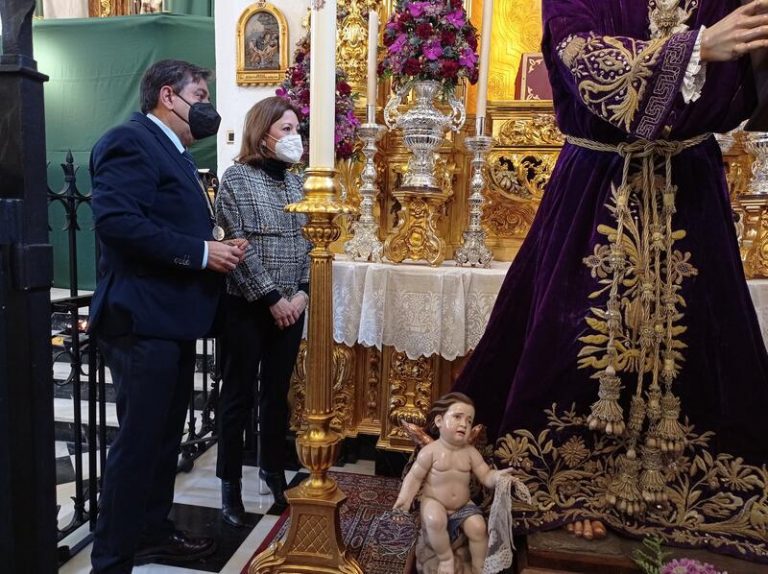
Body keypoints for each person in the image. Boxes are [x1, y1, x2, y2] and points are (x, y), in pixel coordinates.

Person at [453, 0, 768, 562]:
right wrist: (694, 48)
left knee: (703, 340)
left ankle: (682, 483)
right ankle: (577, 484)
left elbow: (742, 79)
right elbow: (582, 60)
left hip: (688, 187)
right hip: (599, 184)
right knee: (573, 339)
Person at [88, 59, 246, 572]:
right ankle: (111, 558)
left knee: (161, 443)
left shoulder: (173, 150)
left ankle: (151, 533)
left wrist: (217, 247)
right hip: (140, 320)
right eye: (198, 95)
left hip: (170, 320)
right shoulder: (129, 140)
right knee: (138, 446)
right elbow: (118, 223)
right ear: (166, 96)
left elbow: (166, 222)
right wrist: (201, 253)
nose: (205, 107)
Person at [214, 96, 311, 527]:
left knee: (276, 395)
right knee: (237, 396)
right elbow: (237, 244)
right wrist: (273, 298)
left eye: (297, 129)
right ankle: (229, 485)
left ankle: (273, 470)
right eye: (286, 129)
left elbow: (312, 239)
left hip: (292, 305)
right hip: (249, 306)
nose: (294, 137)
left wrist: (302, 293)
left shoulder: (298, 182)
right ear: (263, 132)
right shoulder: (236, 178)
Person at [393, 393, 513, 574]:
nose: (464, 424)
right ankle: (446, 558)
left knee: (478, 528)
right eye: (457, 417)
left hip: (463, 505)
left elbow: (485, 475)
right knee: (435, 521)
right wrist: (403, 502)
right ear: (439, 421)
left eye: (469, 420)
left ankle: (479, 566)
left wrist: (497, 477)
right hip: (435, 502)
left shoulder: (470, 452)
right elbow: (414, 477)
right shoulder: (430, 452)